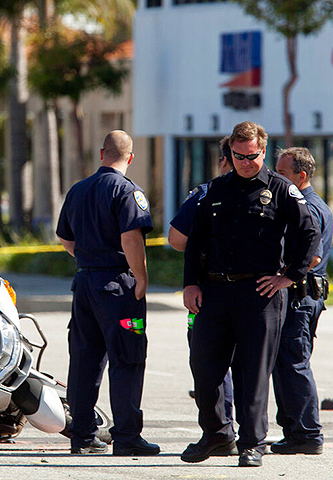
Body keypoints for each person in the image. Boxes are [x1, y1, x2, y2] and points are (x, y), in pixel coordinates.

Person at [181, 121, 319, 467]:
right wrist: (190, 283)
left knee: (253, 371)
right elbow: (195, 240)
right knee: (204, 366)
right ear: (230, 153)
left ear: (263, 151)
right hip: (213, 291)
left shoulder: (281, 189)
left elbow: (309, 233)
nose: (245, 162)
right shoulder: (214, 190)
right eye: (238, 156)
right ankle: (216, 434)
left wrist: (289, 276)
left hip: (259, 293)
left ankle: (252, 443)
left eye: (252, 156)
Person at [56, 130, 160, 456]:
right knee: (127, 358)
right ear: (130, 158)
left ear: (102, 154)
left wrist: (90, 259)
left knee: (84, 360)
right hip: (118, 286)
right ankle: (128, 436)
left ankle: (83, 435)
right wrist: (141, 278)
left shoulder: (78, 190)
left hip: (85, 283)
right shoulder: (127, 191)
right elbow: (131, 237)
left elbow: (66, 239)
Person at [168, 136, 235, 440]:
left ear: (223, 161)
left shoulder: (205, 193)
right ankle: (248, 434)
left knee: (209, 358)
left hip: (209, 287)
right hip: (259, 290)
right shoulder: (271, 190)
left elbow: (176, 239)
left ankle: (222, 428)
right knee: (247, 360)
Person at [271, 147, 332, 455]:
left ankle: (307, 433)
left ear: (301, 176)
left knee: (294, 363)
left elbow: (313, 255)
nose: (275, 179)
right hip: (299, 295)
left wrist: (283, 275)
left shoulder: (308, 207)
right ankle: (295, 431)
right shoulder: (299, 203)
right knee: (284, 364)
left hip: (300, 296)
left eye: (281, 174)